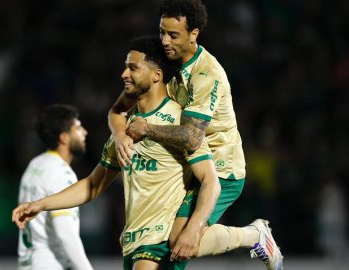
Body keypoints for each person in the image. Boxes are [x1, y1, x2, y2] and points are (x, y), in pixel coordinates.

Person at [13, 36, 221, 270]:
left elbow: (211, 181)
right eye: (124, 67)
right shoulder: (125, 133)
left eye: (133, 67)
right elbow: (93, 185)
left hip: (159, 245)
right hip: (133, 245)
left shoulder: (177, 121)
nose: (124, 74)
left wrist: (193, 228)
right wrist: (41, 205)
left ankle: (249, 236)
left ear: (156, 75)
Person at [108, 1, 283, 269]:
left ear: (194, 34)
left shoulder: (206, 73)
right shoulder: (162, 62)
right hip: (186, 168)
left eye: (173, 35)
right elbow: (117, 111)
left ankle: (254, 235)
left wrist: (148, 128)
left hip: (220, 168)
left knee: (180, 239)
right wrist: (120, 135)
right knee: (165, 249)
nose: (165, 41)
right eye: (162, 32)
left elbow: (191, 137)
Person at [16, 104, 93, 270]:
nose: (84, 132)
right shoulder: (60, 173)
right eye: (78, 128)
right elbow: (66, 233)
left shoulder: (35, 165)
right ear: (64, 138)